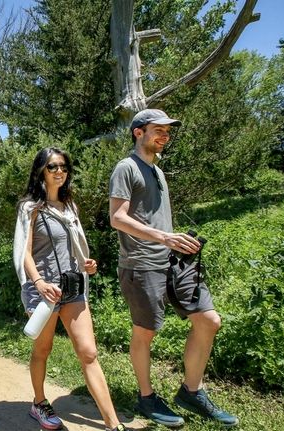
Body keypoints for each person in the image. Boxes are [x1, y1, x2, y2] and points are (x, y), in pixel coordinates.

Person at [108, 109, 238, 428]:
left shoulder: (158, 171)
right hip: (140, 265)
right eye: (158, 130)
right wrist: (164, 237)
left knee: (209, 320)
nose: (164, 136)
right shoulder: (126, 168)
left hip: (173, 261)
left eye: (167, 131)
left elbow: (154, 218)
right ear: (138, 132)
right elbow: (117, 218)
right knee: (146, 331)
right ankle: (146, 396)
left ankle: (191, 392)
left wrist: (175, 241)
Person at [14, 148, 128, 431]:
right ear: (41, 170)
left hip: (72, 285)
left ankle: (113, 424)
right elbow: (24, 253)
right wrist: (38, 283)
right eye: (52, 167)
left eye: (63, 166)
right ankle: (39, 402)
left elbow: (74, 248)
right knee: (43, 349)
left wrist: (86, 263)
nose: (59, 172)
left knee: (88, 352)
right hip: (45, 291)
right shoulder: (31, 207)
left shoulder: (69, 206)